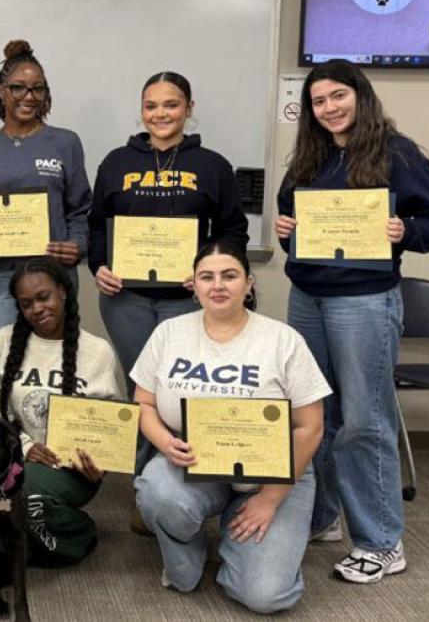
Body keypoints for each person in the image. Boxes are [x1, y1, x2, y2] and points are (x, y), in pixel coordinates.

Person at [275, 59, 429, 584]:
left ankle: (381, 542)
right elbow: (292, 215)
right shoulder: (309, 157)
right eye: (318, 101)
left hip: (364, 302)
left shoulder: (397, 154)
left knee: (364, 420)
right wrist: (287, 228)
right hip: (307, 298)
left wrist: (405, 230)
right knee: (317, 416)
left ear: (360, 95)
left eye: (338, 96)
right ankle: (324, 516)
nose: (329, 108)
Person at [132, 242, 329, 613]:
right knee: (157, 489)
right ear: (193, 285)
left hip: (274, 473)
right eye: (207, 277)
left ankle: (238, 543)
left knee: (265, 596)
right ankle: (187, 552)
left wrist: (269, 500)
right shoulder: (169, 334)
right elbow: (143, 402)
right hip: (195, 464)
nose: (217, 285)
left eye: (229, 276)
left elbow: (310, 427)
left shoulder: (282, 340)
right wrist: (164, 441)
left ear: (249, 284)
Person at [89, 70, 248, 397]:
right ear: (142, 110)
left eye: (171, 105)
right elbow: (96, 224)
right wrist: (99, 266)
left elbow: (232, 230)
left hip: (186, 298)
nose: (160, 114)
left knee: (184, 387)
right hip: (125, 300)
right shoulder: (115, 163)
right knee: (141, 386)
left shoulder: (213, 166)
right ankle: (146, 450)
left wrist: (208, 273)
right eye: (151, 106)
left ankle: (177, 449)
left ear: (189, 108)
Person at [0, 257, 124, 566]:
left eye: (43, 297)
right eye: (26, 303)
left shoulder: (97, 351)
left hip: (74, 469)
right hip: (13, 458)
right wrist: (26, 447)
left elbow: (112, 423)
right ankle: (28, 536)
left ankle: (78, 533)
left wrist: (102, 461)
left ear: (63, 292)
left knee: (18, 493)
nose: (37, 309)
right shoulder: (5, 340)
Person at [0, 40, 91, 360]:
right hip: (1, 278)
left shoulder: (65, 143)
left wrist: (77, 244)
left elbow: (80, 209)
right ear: (1, 91)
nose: (29, 96)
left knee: (56, 362)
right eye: (19, 88)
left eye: (37, 89)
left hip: (55, 274)